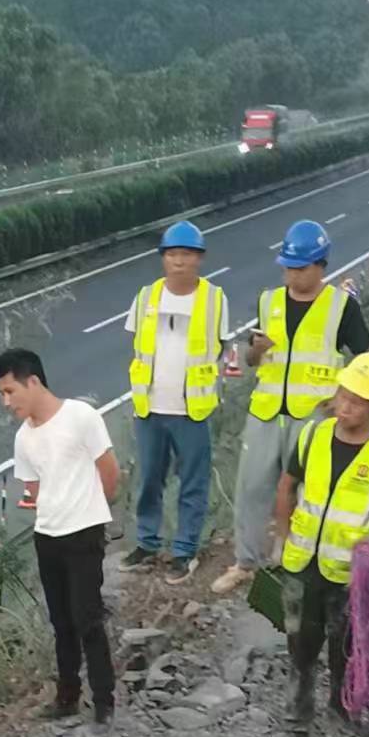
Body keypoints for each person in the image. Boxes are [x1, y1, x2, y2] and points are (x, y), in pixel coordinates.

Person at [271, 351, 369, 737]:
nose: (345, 407)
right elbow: (287, 484)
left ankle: (341, 725)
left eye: (356, 402)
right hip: (301, 565)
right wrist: (282, 533)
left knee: (345, 652)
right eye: (342, 396)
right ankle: (296, 724)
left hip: (347, 576)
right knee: (299, 650)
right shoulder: (313, 435)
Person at [215, 218, 369, 594]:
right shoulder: (269, 302)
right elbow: (253, 361)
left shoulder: (341, 308)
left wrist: (346, 397)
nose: (290, 274)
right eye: (286, 266)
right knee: (252, 487)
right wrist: (254, 351)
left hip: (314, 416)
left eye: (298, 268)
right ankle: (245, 562)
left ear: (320, 265)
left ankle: (297, 561)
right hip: (267, 410)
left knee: (308, 493)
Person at [0, 347, 120, 722]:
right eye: (1, 394)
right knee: (60, 621)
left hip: (84, 532)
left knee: (88, 619)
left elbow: (108, 471)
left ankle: (104, 703)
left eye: (10, 391)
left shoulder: (81, 416)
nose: (5, 401)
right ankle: (66, 698)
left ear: (33, 381)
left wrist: (93, 508)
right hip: (47, 535)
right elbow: (32, 491)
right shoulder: (23, 438)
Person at [123, 221, 232, 580]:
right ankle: (147, 543)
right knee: (149, 480)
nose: (179, 262)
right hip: (150, 408)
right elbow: (136, 344)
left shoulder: (215, 300)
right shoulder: (146, 297)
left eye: (187, 255)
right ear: (163, 259)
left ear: (199, 259)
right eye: (172, 255)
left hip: (192, 410)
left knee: (192, 483)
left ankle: (185, 550)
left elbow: (222, 347)